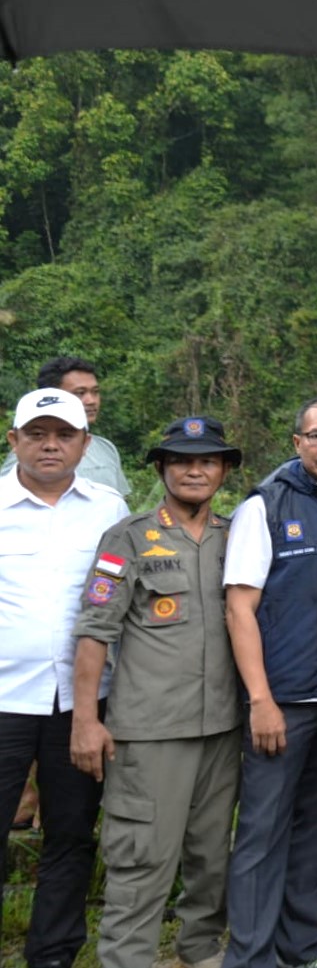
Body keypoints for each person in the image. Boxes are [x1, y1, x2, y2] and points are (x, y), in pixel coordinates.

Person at [70, 417, 243, 968]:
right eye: (181, 460)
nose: (195, 469)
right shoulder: (129, 536)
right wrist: (85, 721)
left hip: (221, 728)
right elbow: (96, 630)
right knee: (142, 858)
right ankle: (127, 959)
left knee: (211, 857)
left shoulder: (235, 537)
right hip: (149, 734)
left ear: (224, 470)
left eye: (208, 460)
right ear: (163, 469)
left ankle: (198, 951)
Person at [222, 396, 317, 968]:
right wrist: (260, 699)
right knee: (262, 833)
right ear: (297, 442)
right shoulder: (265, 506)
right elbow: (240, 610)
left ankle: (302, 948)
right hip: (280, 703)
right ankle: (251, 956)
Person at [0, 388, 129, 968]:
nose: (50, 446)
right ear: (14, 440)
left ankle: (50, 956)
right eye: (37, 434)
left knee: (71, 835)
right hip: (3, 698)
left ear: (84, 443)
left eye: (63, 435)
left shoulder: (108, 510)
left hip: (80, 705)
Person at [2, 356, 131, 496]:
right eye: (80, 393)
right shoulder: (30, 455)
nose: (91, 401)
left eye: (95, 392)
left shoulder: (106, 449)